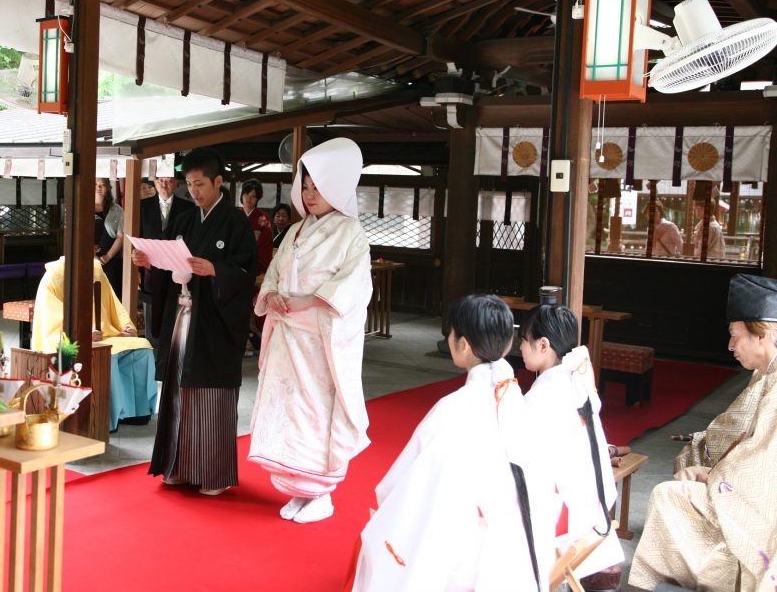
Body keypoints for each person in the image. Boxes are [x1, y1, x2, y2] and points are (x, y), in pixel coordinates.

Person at [350, 294, 555, 591]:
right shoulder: (514, 398)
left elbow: (402, 482)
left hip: (460, 550)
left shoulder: (453, 408)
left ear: (462, 344)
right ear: (509, 343)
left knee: (381, 537)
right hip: (516, 548)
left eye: (451, 333)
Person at [248, 138, 372, 524]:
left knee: (314, 412)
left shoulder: (351, 233)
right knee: (287, 409)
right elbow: (274, 273)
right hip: (288, 336)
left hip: (320, 340)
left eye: (318, 186)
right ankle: (297, 489)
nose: (309, 193)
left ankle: (320, 492)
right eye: (305, 186)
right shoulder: (296, 231)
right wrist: (272, 296)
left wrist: (308, 302)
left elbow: (354, 287)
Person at [629, 274, 777, 591]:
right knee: (689, 470)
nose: (730, 345)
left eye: (735, 336)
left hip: (763, 505)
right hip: (749, 487)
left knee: (667, 494)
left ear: (761, 335)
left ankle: (721, 574)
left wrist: (716, 477)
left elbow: (764, 463)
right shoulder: (769, 374)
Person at [132, 148, 256, 496]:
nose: (195, 191)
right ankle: (180, 465)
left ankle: (213, 473)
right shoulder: (186, 219)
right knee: (178, 390)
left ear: (219, 181)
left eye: (200, 183)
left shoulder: (235, 222)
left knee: (209, 395)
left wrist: (217, 269)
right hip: (184, 316)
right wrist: (149, 260)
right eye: (190, 184)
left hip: (216, 324)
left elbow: (247, 272)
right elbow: (170, 258)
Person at [519, 304, 624, 589]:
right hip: (596, 503)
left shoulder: (544, 396)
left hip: (567, 513)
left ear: (543, 344)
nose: (520, 346)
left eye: (524, 340)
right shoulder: (576, 382)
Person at [31, 256, 158, 431]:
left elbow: (114, 304)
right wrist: (83, 334)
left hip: (104, 334)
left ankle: (137, 411)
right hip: (70, 338)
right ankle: (110, 414)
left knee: (141, 347)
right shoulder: (54, 279)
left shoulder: (96, 271)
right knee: (107, 353)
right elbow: (51, 321)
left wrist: (126, 325)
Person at [138, 169, 196, 348]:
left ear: (176, 183)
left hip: (176, 271)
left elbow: (191, 240)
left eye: (168, 180)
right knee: (151, 319)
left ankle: (171, 356)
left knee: (173, 316)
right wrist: (136, 270)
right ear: (154, 182)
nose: (164, 184)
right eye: (160, 180)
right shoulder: (142, 206)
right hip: (149, 269)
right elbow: (136, 238)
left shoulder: (188, 208)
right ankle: (152, 358)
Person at [240, 179, 273, 356]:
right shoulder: (235, 214)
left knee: (253, 306)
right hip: (235, 268)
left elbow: (265, 246)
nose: (249, 199)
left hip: (254, 268)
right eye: (247, 195)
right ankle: (241, 342)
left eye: (253, 197)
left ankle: (254, 342)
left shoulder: (262, 219)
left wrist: (257, 267)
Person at [95, 177, 125, 297]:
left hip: (111, 260)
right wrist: (92, 256)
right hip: (86, 260)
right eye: (95, 184)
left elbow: (121, 236)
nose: (98, 187)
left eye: (102, 185)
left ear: (108, 187)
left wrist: (107, 256)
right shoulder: (82, 206)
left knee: (112, 296)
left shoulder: (117, 210)